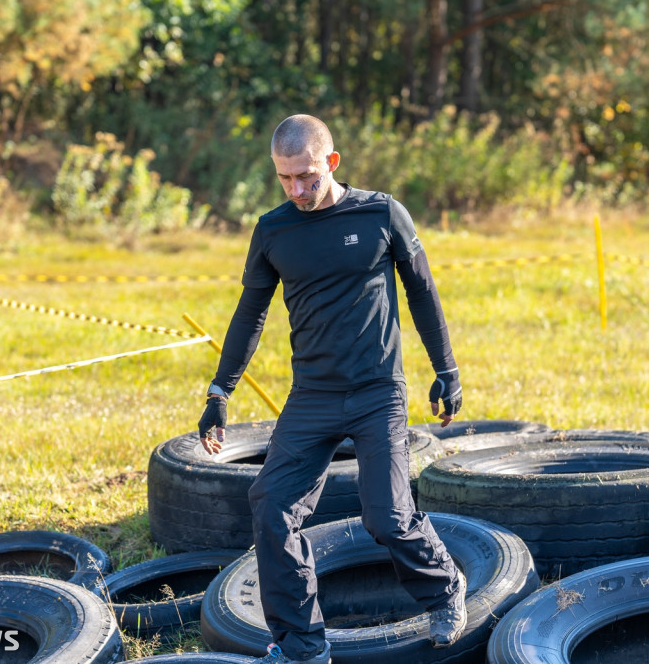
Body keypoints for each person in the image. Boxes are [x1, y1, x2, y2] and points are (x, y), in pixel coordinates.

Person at [196, 114, 465, 664]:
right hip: (312, 397)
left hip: (377, 392)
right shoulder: (273, 231)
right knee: (271, 505)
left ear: (332, 163)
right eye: (285, 179)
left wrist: (447, 371)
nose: (297, 190)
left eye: (307, 177)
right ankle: (302, 646)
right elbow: (250, 314)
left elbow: (422, 293)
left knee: (387, 515)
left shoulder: (381, 213)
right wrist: (219, 392)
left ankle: (444, 589)